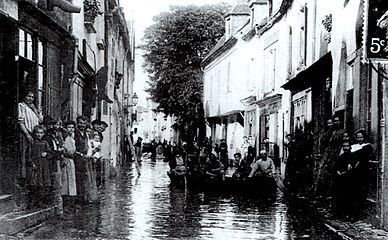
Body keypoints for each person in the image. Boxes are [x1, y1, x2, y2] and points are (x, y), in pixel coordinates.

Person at [18, 91, 43, 180]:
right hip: (26, 134)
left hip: (34, 134)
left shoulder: (33, 108)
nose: (30, 99)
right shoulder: (21, 106)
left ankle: (33, 179)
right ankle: (23, 178)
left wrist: (35, 110)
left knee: (33, 156)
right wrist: (27, 135)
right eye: (28, 96)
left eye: (32, 97)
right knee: (25, 156)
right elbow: (21, 122)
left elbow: (40, 120)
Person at [26, 125, 52, 208]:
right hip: (35, 165)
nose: (39, 135)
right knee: (34, 183)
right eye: (37, 133)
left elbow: (50, 153)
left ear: (43, 134)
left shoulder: (45, 143)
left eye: (41, 133)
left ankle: (40, 201)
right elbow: (28, 155)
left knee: (43, 184)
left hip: (43, 165)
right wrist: (31, 163)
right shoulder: (32, 143)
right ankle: (32, 201)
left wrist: (46, 153)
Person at [332, 140, 354, 220]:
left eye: (347, 146)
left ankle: (347, 214)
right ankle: (338, 214)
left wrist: (345, 172)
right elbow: (336, 166)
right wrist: (338, 171)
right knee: (339, 196)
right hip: (340, 179)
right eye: (344, 146)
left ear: (350, 147)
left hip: (348, 179)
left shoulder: (352, 156)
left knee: (347, 197)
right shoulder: (341, 156)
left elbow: (352, 167)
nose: (345, 148)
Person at [61, 121, 77, 208]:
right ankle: (66, 202)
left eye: (72, 127)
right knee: (66, 181)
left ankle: (70, 202)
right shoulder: (66, 139)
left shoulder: (72, 139)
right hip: (67, 161)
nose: (71, 129)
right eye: (69, 127)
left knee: (71, 180)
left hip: (71, 161)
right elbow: (70, 152)